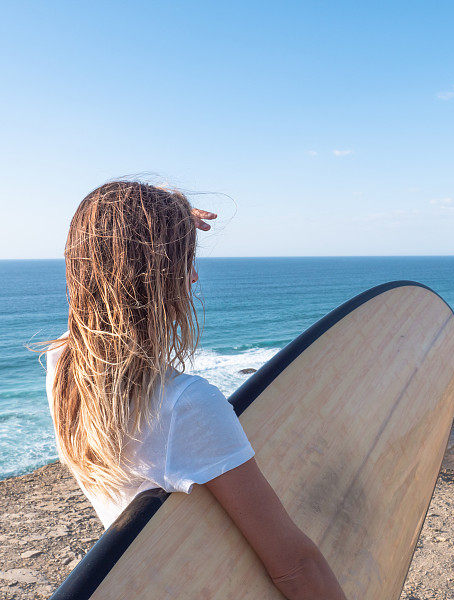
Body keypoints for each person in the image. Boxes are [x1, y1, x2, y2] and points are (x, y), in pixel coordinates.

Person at [43, 180, 346, 600]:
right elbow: (295, 567)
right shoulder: (185, 405)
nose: (195, 275)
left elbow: (105, 283)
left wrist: (159, 219)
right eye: (185, 262)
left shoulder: (64, 368)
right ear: (158, 279)